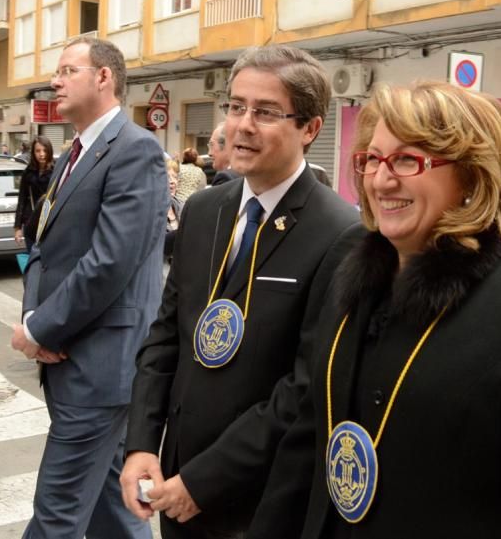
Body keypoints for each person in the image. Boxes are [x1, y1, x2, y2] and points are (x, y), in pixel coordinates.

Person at [248, 82, 501, 539]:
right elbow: (307, 442)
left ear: (473, 176)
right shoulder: (353, 271)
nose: (380, 180)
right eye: (372, 160)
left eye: (407, 160)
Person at [121, 45, 359, 539]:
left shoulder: (341, 233)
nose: (242, 124)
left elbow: (303, 387)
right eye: (236, 106)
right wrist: (142, 443)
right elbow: (167, 334)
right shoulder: (205, 209)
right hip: (176, 481)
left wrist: (204, 481)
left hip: (260, 501)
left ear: (310, 129)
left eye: (266, 112)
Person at [12, 37, 167, 539]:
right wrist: (40, 327)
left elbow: (108, 264)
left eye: (66, 70)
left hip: (102, 368)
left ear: (104, 77)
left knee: (56, 512)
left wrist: (40, 326)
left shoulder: (136, 150)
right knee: (113, 507)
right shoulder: (72, 154)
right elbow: (43, 246)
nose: (54, 81)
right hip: (74, 357)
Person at [13, 137, 55, 251]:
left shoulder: (57, 170)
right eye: (38, 151)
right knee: (32, 258)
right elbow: (22, 199)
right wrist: (18, 227)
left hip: (50, 222)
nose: (42, 154)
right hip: (31, 222)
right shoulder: (28, 172)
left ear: (50, 151)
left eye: (45, 150)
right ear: (33, 152)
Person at [164, 159, 182, 263]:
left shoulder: (183, 205)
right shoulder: (150, 209)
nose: (172, 181)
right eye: (167, 177)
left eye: (175, 177)